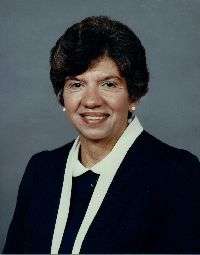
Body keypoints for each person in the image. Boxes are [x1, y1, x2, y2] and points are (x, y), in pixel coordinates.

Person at [3, 16, 200, 254]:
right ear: (62, 97)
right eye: (76, 84)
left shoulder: (177, 172)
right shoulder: (41, 170)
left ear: (133, 95)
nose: (91, 101)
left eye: (108, 84)